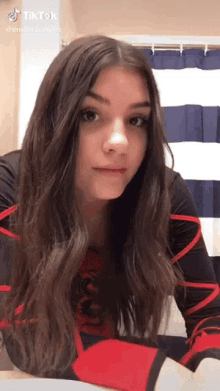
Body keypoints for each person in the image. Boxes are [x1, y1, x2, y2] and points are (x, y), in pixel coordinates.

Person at [0, 35, 220, 391]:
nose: (118, 141)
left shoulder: (165, 196)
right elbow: (28, 338)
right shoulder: (11, 190)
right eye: (90, 115)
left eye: (137, 120)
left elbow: (209, 314)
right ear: (55, 121)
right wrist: (165, 376)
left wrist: (212, 370)